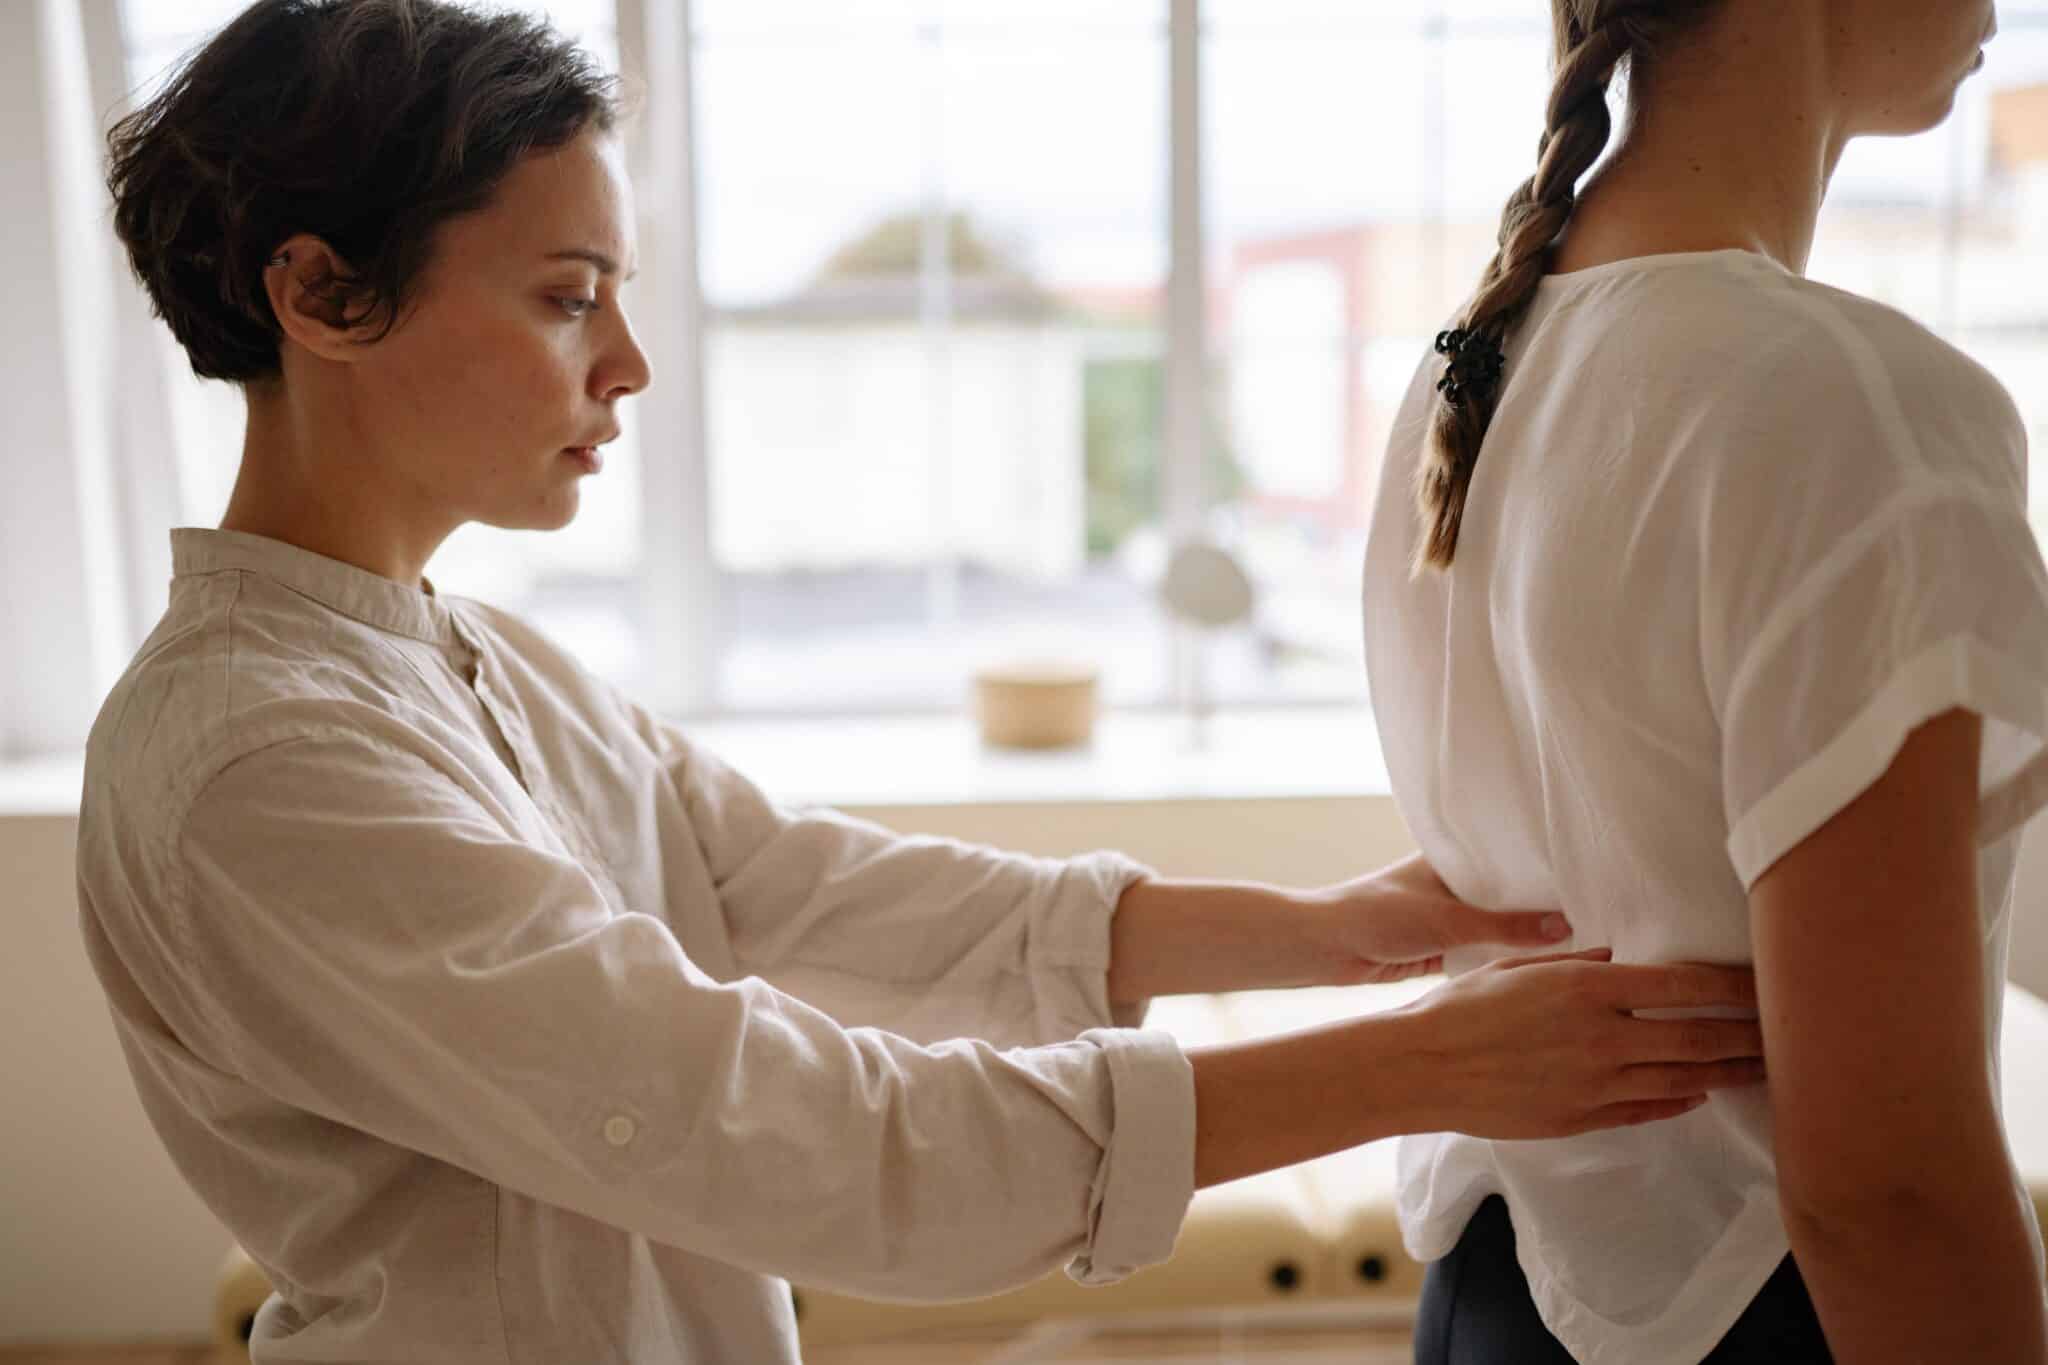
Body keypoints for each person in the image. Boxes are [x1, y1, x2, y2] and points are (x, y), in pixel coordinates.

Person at [75, 2, 1766, 1360]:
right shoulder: (256, 763)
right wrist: (1416, 1061)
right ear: (318, 292)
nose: (629, 362)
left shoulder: (466, 656)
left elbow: (796, 884)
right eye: (565, 296)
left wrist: (1324, 932)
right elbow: (775, 1124)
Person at [1363, 2, 2048, 1362]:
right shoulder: (1855, 403)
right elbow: (1886, 1189)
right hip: (1767, 1316)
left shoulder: (1472, 363)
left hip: (1488, 1303)